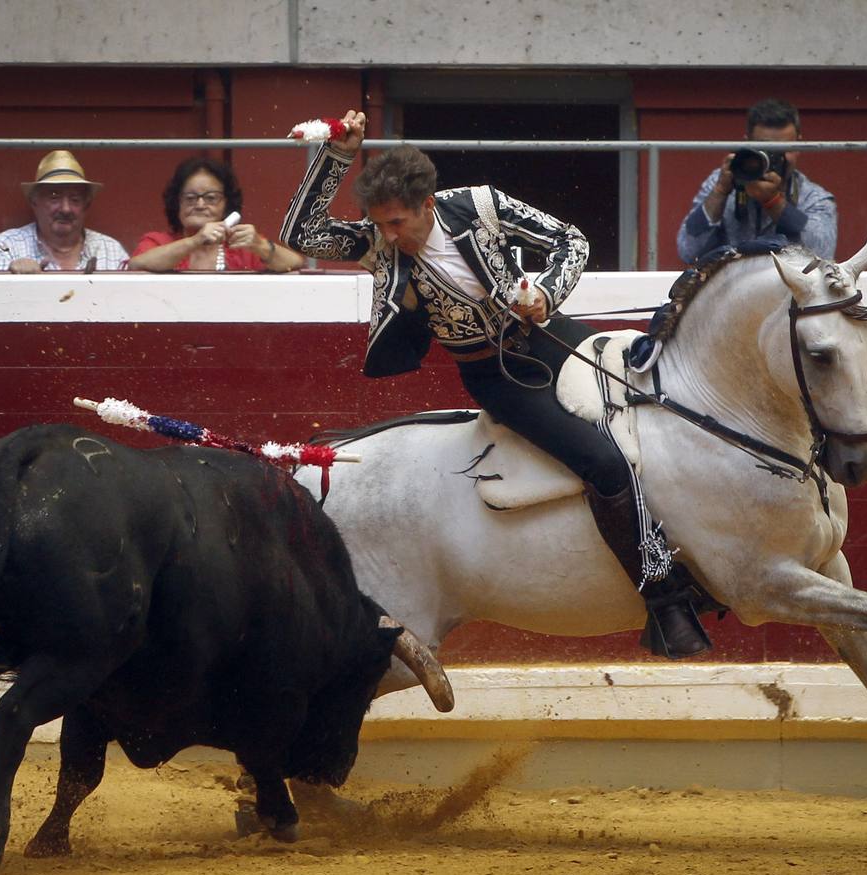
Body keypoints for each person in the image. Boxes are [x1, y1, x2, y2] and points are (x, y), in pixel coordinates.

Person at [281, 110, 711, 659]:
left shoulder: (480, 205)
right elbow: (300, 233)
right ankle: (666, 599)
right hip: (496, 375)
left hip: (552, 336)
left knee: (661, 408)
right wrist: (338, 156)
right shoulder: (377, 245)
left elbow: (570, 241)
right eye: (380, 223)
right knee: (602, 464)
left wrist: (547, 293)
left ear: (427, 206)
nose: (388, 236)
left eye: (397, 223)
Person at [676, 98, 837, 264]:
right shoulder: (723, 180)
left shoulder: (813, 197)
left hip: (786, 287)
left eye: (782, 149)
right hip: (729, 285)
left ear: (799, 146)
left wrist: (774, 202)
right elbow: (688, 250)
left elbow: (822, 254)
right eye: (765, 149)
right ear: (747, 143)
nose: (774, 158)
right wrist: (720, 191)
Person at [129, 156, 304, 272]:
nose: (200, 204)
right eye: (190, 198)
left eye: (211, 198)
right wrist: (195, 241)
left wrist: (259, 245)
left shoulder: (241, 245)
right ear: (177, 203)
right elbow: (136, 264)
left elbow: (295, 264)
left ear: (226, 204)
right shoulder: (157, 241)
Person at [0, 150, 128, 273]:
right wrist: (15, 279)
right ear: (34, 201)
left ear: (86, 205)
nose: (65, 209)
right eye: (54, 197)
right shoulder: (7, 247)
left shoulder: (111, 249)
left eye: (75, 199)